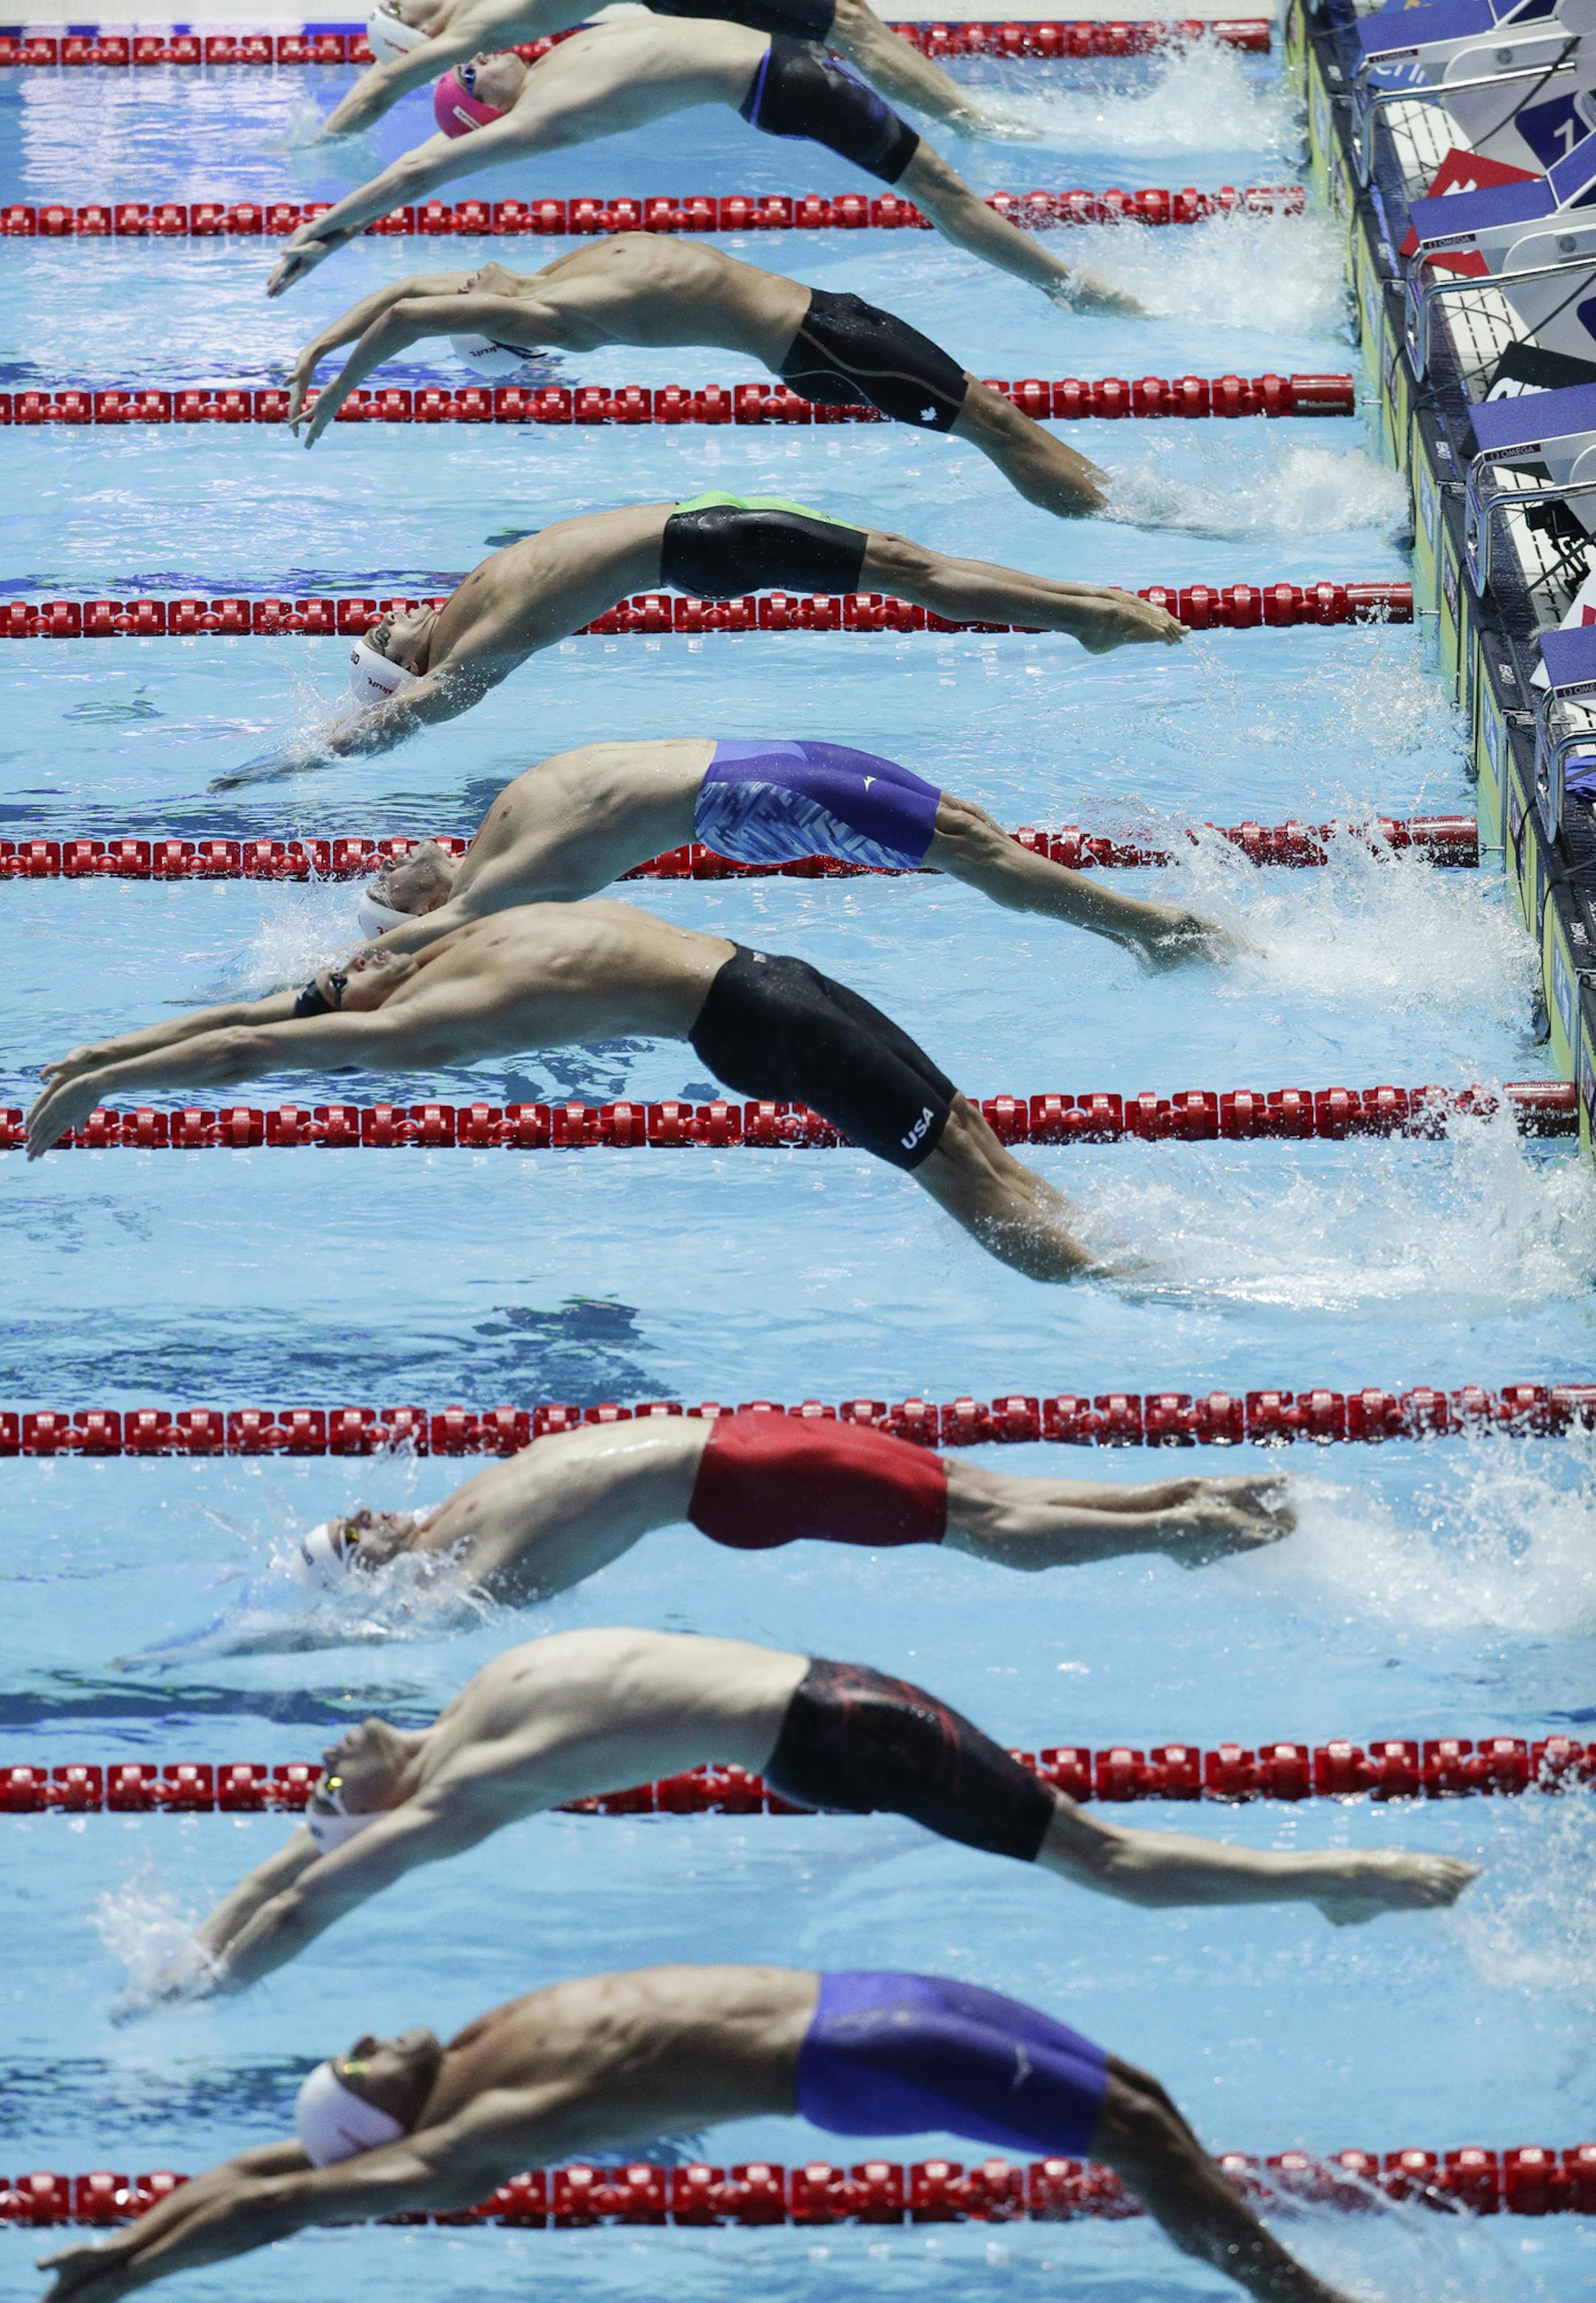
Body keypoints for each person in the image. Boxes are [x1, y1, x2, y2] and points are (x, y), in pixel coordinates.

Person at [137, 1620, 1478, 2006]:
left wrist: (198, 1959)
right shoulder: (469, 1781)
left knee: (1102, 1855)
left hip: (842, 1717)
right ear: (377, 1803)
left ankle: (1349, 1872)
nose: (321, 1760)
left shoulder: (467, 1720)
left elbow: (308, 1864)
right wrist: (200, 1974)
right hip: (845, 1724)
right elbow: (312, 1887)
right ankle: (1351, 1873)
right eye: (326, 1784)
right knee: (1101, 1854)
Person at [39, 1964, 1368, 2303]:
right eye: (361, 2063)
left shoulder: (472, 2046)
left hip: (853, 1992)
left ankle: (1265, 2255)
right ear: (387, 2117)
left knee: (1140, 2095)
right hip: (846, 2051)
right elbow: (292, 2203)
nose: (372, 2033)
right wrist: (123, 2275)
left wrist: (135, 2216)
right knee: (1130, 2129)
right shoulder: (483, 2126)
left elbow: (271, 2167)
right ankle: (1300, 2294)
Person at [26, 902, 1098, 1280]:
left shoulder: (441, 939)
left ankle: (1107, 1243)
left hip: (782, 980)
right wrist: (110, 1091)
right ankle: (1116, 1277)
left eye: (338, 966)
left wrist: (101, 1051)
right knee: (959, 1184)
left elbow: (253, 1013)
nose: (351, 967)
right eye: (342, 987)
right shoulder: (431, 1018)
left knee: (969, 1134)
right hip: (767, 1026)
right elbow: (249, 1052)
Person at [207, 494, 1185, 783]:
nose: (389, 614)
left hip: (703, 534)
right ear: (407, 661)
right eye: (383, 634)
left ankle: (1082, 610)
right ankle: (1085, 618)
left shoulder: (464, 604)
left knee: (905, 563)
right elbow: (415, 716)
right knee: (909, 572)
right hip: (707, 545)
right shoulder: (471, 650)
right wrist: (298, 757)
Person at [265, 23, 1136, 308]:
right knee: (941, 193)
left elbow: (427, 134)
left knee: (942, 190)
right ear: (488, 110)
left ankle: (1070, 283)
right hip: (786, 81)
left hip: (785, 69)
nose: (480, 57)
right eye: (469, 75)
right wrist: (324, 233)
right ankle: (1074, 288)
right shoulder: (541, 114)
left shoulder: (552, 60)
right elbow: (419, 173)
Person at [289, 239, 1114, 521]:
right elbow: (405, 320)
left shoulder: (541, 277)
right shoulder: (556, 317)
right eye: (464, 302)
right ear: (496, 333)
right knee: (993, 424)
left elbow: (404, 295)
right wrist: (334, 394)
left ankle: (1110, 499)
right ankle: (1116, 510)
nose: (461, 283)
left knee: (993, 421)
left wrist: (315, 349)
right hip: (823, 347)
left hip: (832, 321)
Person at [347, 737, 1238, 969]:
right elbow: (436, 936)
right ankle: (1152, 929)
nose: (377, 877)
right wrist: (324, 975)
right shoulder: (502, 885)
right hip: (749, 795)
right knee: (966, 850)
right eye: (384, 893)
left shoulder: (495, 826)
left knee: (967, 825)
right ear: (422, 912)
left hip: (761, 755)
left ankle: (1145, 930)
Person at [306, 1410, 1295, 1600]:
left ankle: (1183, 1529)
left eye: (352, 1521)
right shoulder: (480, 1491)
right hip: (752, 1439)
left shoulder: (474, 1540)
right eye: (354, 1532)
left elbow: (437, 1620)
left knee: (980, 1528)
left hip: (744, 1480)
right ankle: (1183, 1496)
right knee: (976, 1493)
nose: (367, 1512)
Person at [324, 0, 1038, 145]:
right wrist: (314, 143)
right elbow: (381, 85)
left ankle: (963, 117)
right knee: (846, 22)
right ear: (420, 34)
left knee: (840, 25)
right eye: (395, 9)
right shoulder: (482, 27)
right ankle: (976, 123)